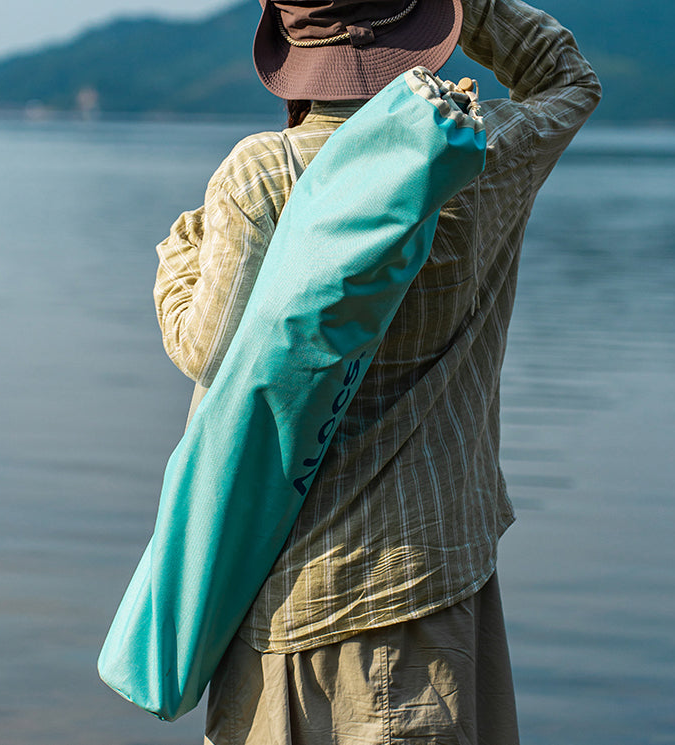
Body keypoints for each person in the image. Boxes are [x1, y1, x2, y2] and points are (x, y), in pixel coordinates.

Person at [153, 0, 601, 742]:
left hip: (288, 600)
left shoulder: (262, 172)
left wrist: (178, 256)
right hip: (436, 584)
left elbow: (206, 351)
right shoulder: (475, 149)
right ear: (421, 25)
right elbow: (566, 79)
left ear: (292, 44)